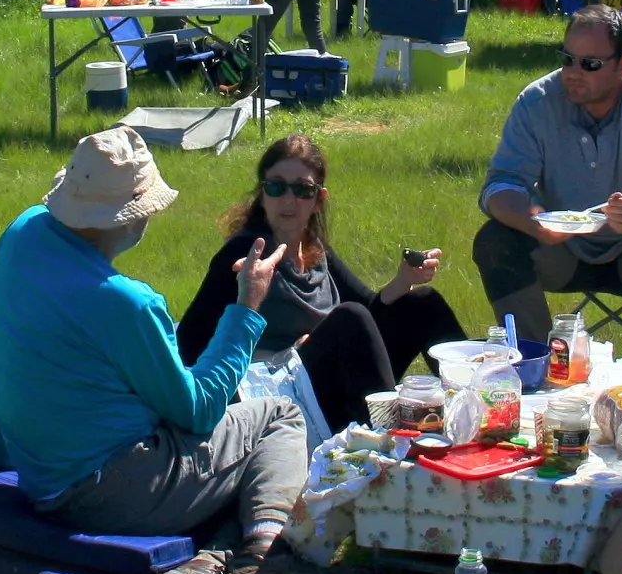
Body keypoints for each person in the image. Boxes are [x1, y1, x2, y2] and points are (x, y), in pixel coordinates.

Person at [0, 127, 306, 574]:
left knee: (231, 454)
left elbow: (6, 356)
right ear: (132, 215)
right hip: (109, 491)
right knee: (278, 417)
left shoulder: (22, 233)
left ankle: (211, 559)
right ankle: (263, 557)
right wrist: (247, 307)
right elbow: (197, 410)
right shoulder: (125, 303)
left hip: (34, 469)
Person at [179, 134, 465, 432]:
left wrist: (404, 280)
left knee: (423, 303)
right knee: (348, 317)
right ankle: (390, 441)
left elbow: (369, 315)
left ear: (318, 200)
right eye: (276, 187)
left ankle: (475, 406)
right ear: (262, 194)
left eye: (302, 190)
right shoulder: (246, 255)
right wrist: (282, 357)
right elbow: (188, 345)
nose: (288, 200)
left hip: (335, 381)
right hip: (282, 394)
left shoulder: (314, 246)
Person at [473, 4, 622, 356]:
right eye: (567, 59)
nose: (573, 72)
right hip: (560, 250)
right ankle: (533, 364)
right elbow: (499, 187)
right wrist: (533, 221)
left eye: (590, 64)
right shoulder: (537, 100)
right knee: (495, 240)